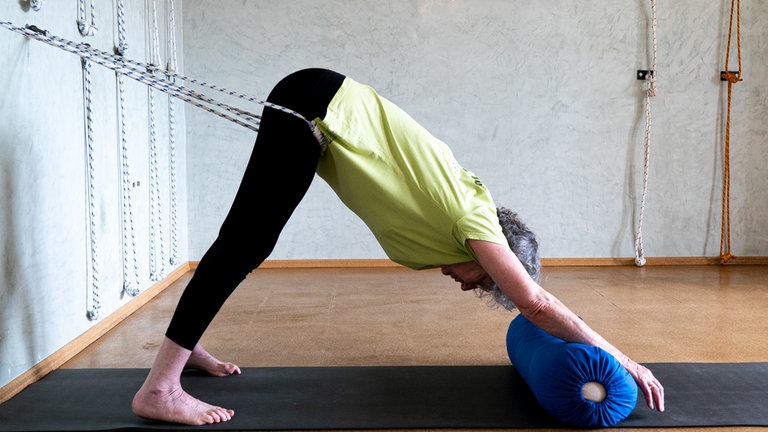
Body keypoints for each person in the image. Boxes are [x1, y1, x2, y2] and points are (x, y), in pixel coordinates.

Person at [131, 68, 665, 425]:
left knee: (247, 243)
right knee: (246, 244)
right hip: (315, 105)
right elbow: (537, 303)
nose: (462, 283)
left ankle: (185, 348)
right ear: (493, 254)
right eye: (478, 279)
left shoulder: (459, 219)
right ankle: (160, 390)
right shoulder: (472, 219)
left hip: (317, 104)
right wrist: (625, 360)